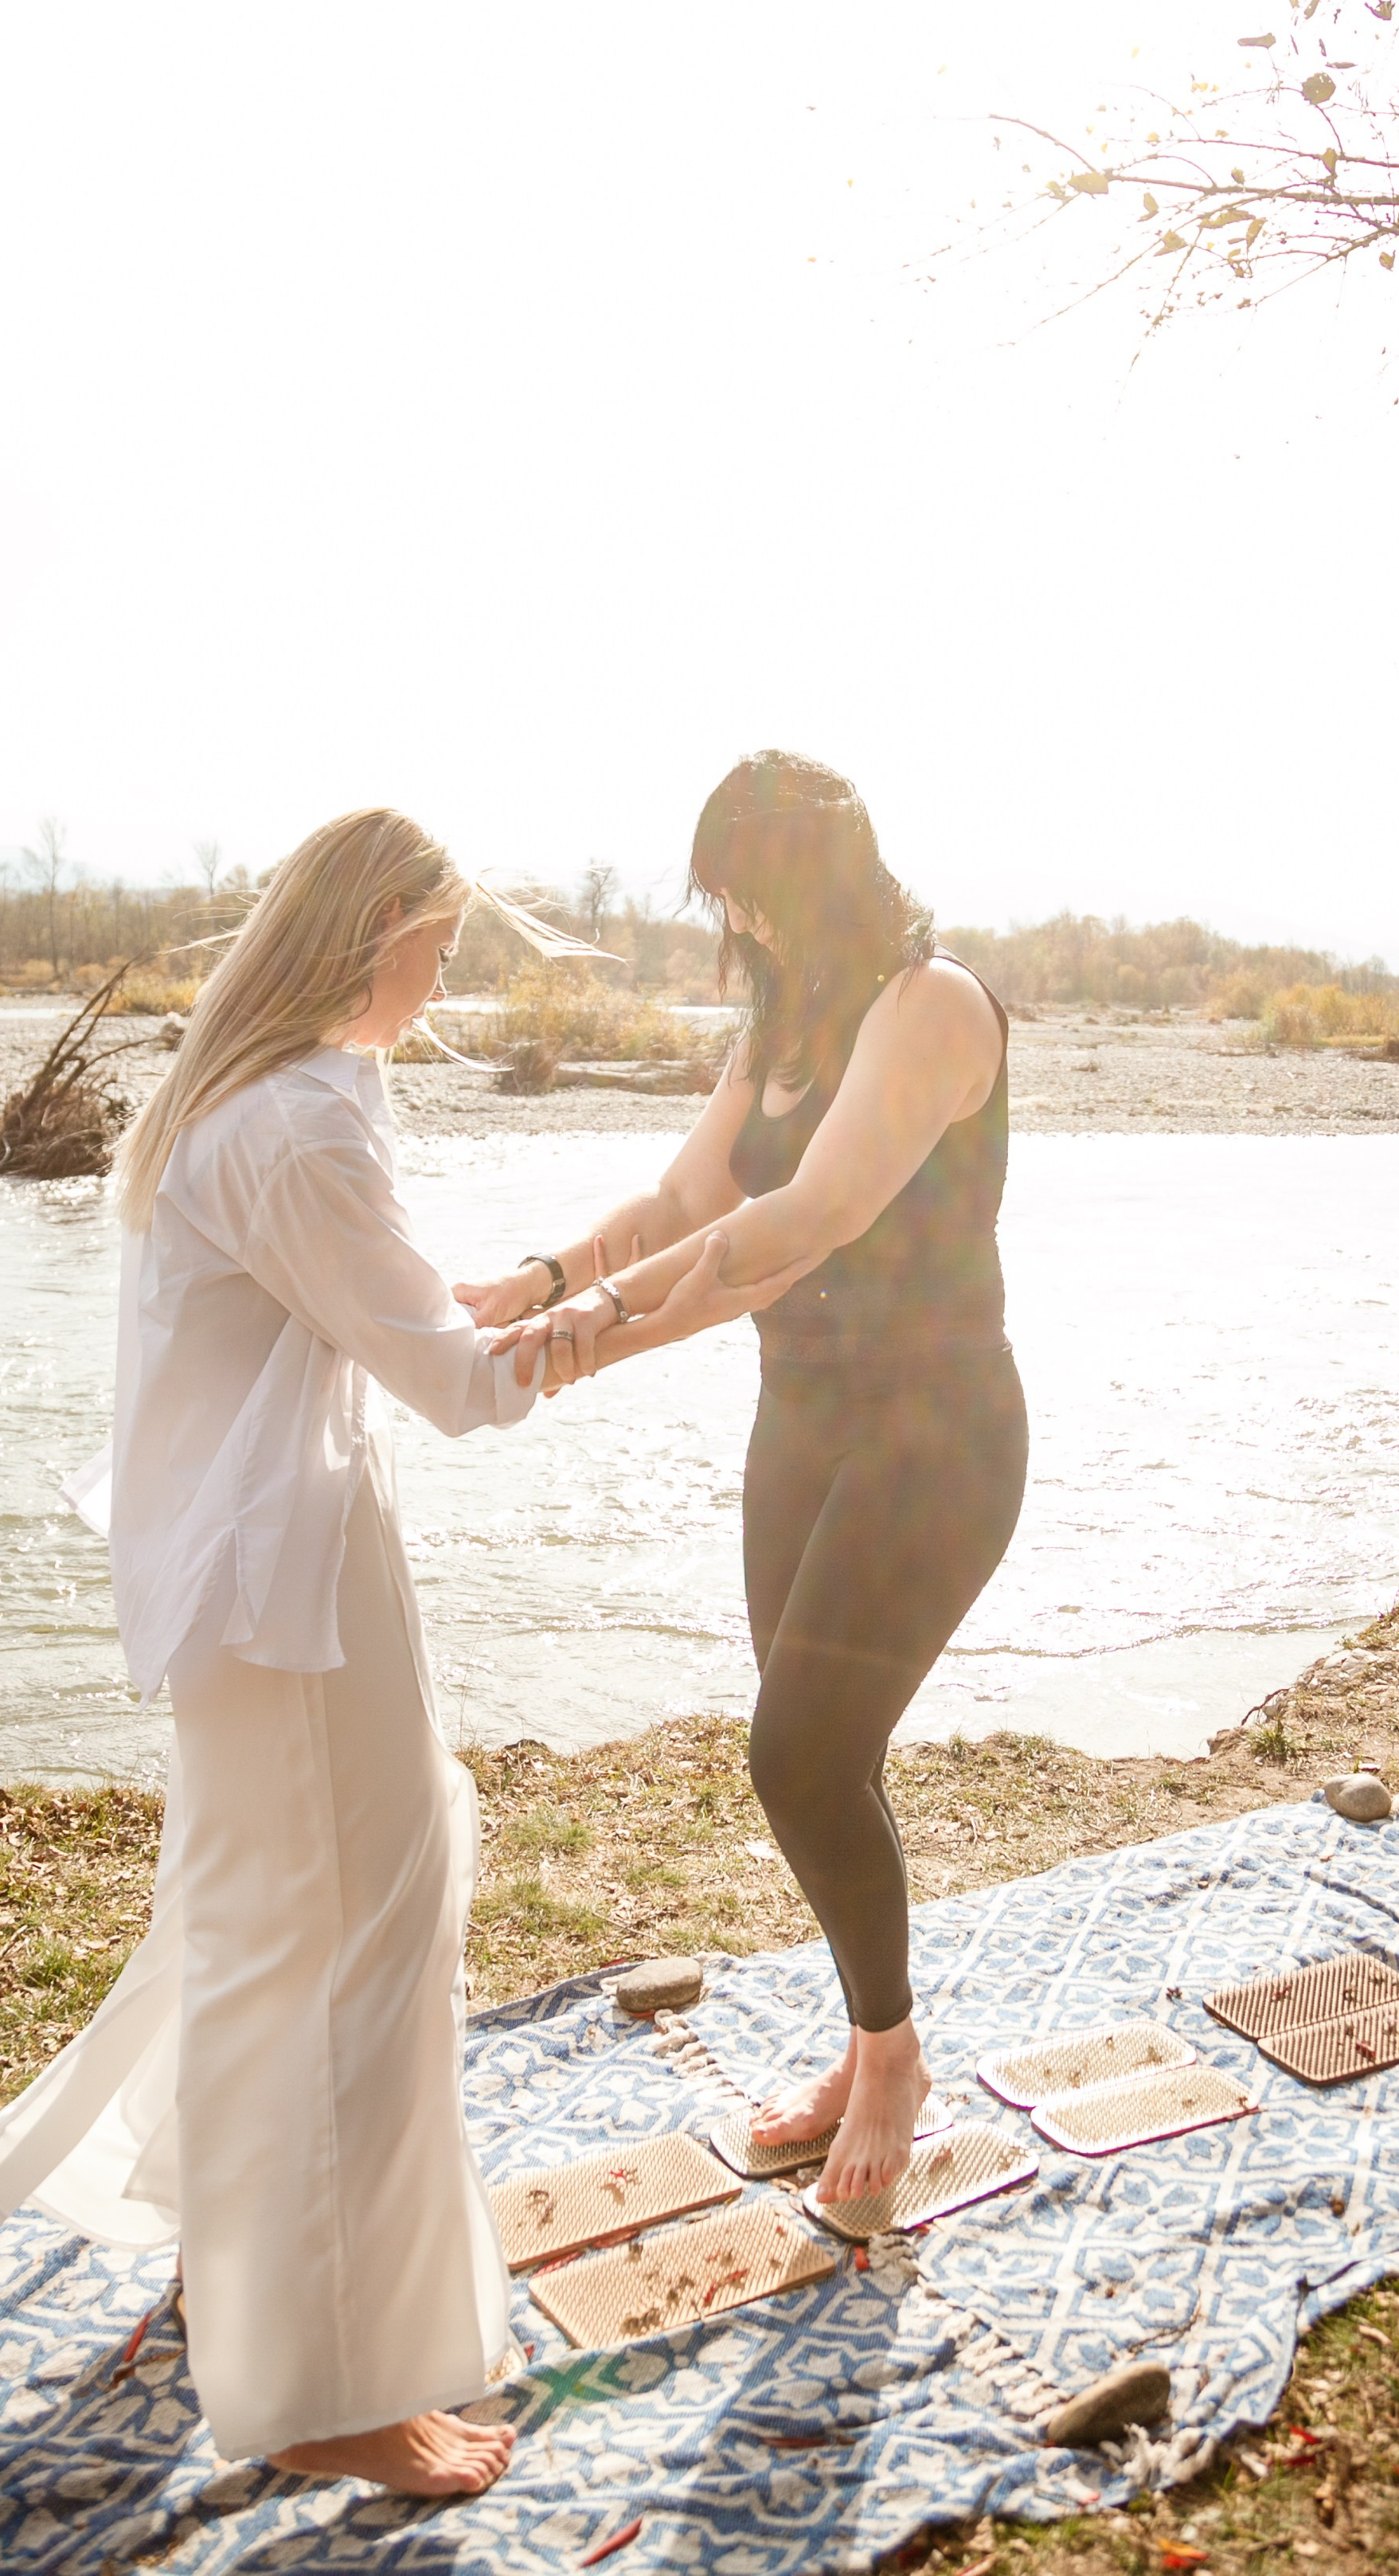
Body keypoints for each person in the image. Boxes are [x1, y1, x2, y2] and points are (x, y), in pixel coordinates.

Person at [0, 809, 770, 2501]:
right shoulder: (308, 1119)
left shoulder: (234, 1100)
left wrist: (558, 1270)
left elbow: (371, 1305)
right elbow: (456, 1384)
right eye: (442, 945)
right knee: (354, 1941)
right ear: (377, 929)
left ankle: (246, 2276)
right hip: (290, 1590)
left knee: (260, 1927)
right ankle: (322, 2388)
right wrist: (672, 1288)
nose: (445, 978)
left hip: (235, 1586)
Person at [459, 752, 1027, 2205]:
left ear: (814, 878)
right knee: (818, 1759)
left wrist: (606, 1331)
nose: (745, 929)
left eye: (756, 896)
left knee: (800, 1754)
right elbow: (684, 1201)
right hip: (804, 1426)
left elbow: (804, 1221)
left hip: (936, 1438)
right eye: (730, 904)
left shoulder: (933, 1008)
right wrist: (533, 1281)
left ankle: (892, 2057)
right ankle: (869, 2035)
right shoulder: (783, 1030)